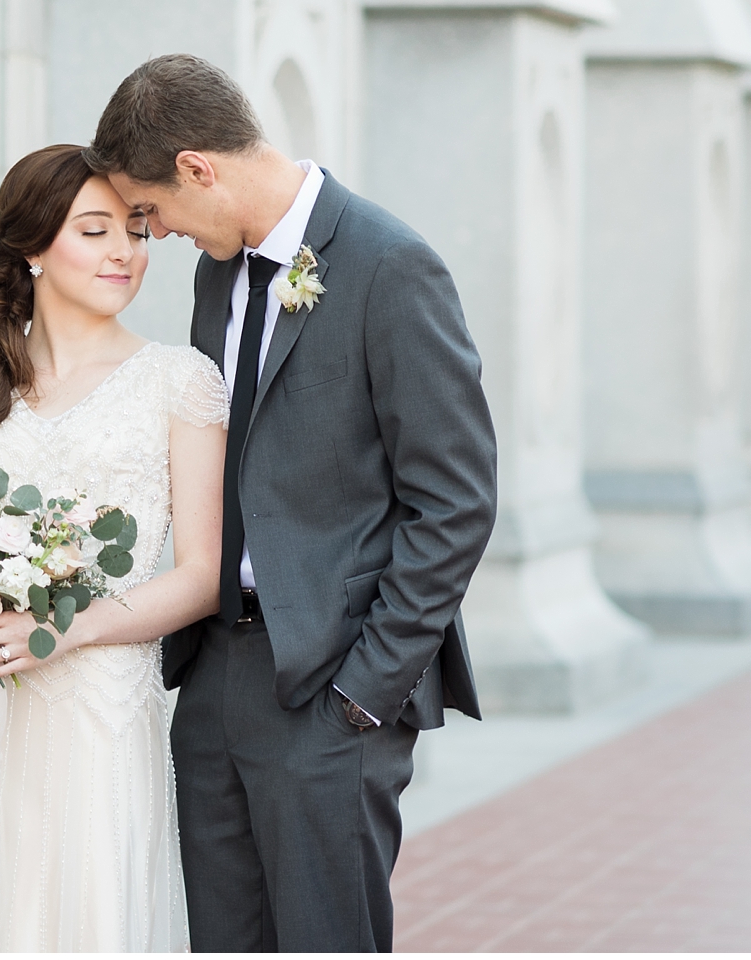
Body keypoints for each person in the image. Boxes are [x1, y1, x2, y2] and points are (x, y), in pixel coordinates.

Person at [84, 54, 497, 954]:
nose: (158, 237)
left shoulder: (393, 268)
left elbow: (456, 502)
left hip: (334, 686)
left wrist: (366, 691)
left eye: (152, 213)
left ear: (198, 167)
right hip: (216, 675)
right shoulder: (218, 274)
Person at [0, 143, 231, 953]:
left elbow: (204, 576)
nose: (125, 253)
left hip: (98, 707)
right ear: (33, 247)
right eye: (95, 231)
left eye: (135, 231)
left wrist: (66, 628)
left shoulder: (181, 382)